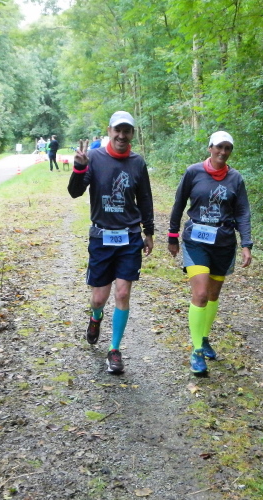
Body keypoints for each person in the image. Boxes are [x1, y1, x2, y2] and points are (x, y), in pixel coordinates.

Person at [67, 111, 155, 374]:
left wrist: (149, 232)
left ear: (132, 134)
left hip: (129, 237)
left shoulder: (137, 162)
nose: (121, 135)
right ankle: (96, 317)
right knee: (98, 298)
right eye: (118, 130)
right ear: (109, 131)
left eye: (127, 131)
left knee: (123, 293)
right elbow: (75, 192)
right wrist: (79, 168)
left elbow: (145, 198)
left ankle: (114, 350)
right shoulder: (94, 158)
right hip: (102, 237)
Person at [167, 131, 253, 374]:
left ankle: (204, 339)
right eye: (219, 147)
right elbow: (179, 203)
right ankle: (196, 351)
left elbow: (242, 212)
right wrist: (172, 235)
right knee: (201, 294)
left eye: (227, 148)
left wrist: (246, 243)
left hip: (223, 243)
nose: (222, 152)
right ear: (210, 148)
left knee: (213, 295)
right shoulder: (193, 172)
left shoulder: (236, 178)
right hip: (196, 241)